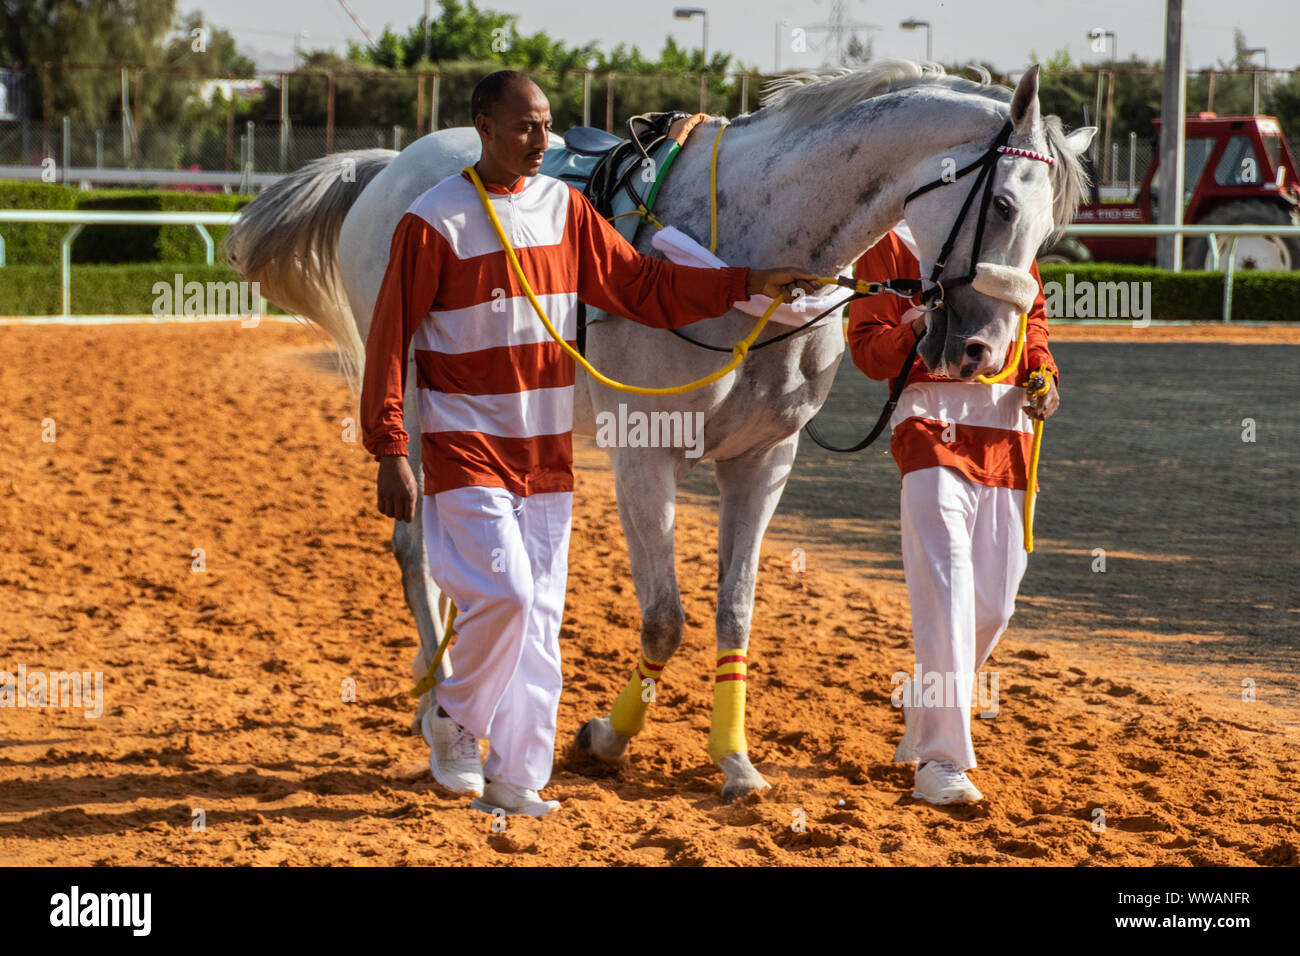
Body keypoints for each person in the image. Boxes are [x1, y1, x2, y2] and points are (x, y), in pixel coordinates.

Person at [360, 70, 818, 817]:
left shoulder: (566, 210)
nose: (543, 140)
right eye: (524, 127)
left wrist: (749, 283)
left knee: (540, 617)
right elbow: (388, 342)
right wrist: (389, 447)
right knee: (504, 595)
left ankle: (517, 778)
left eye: (546, 125)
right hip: (465, 443)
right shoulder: (430, 221)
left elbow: (643, 287)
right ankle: (453, 716)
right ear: (482, 126)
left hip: (546, 450)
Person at [846, 222, 1060, 805]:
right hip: (927, 423)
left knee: (993, 607)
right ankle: (940, 762)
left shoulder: (1009, 232)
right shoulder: (886, 243)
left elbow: (1032, 317)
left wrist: (1044, 371)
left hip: (1011, 430)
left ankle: (926, 707)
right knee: (947, 592)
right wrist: (914, 329)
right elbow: (868, 351)